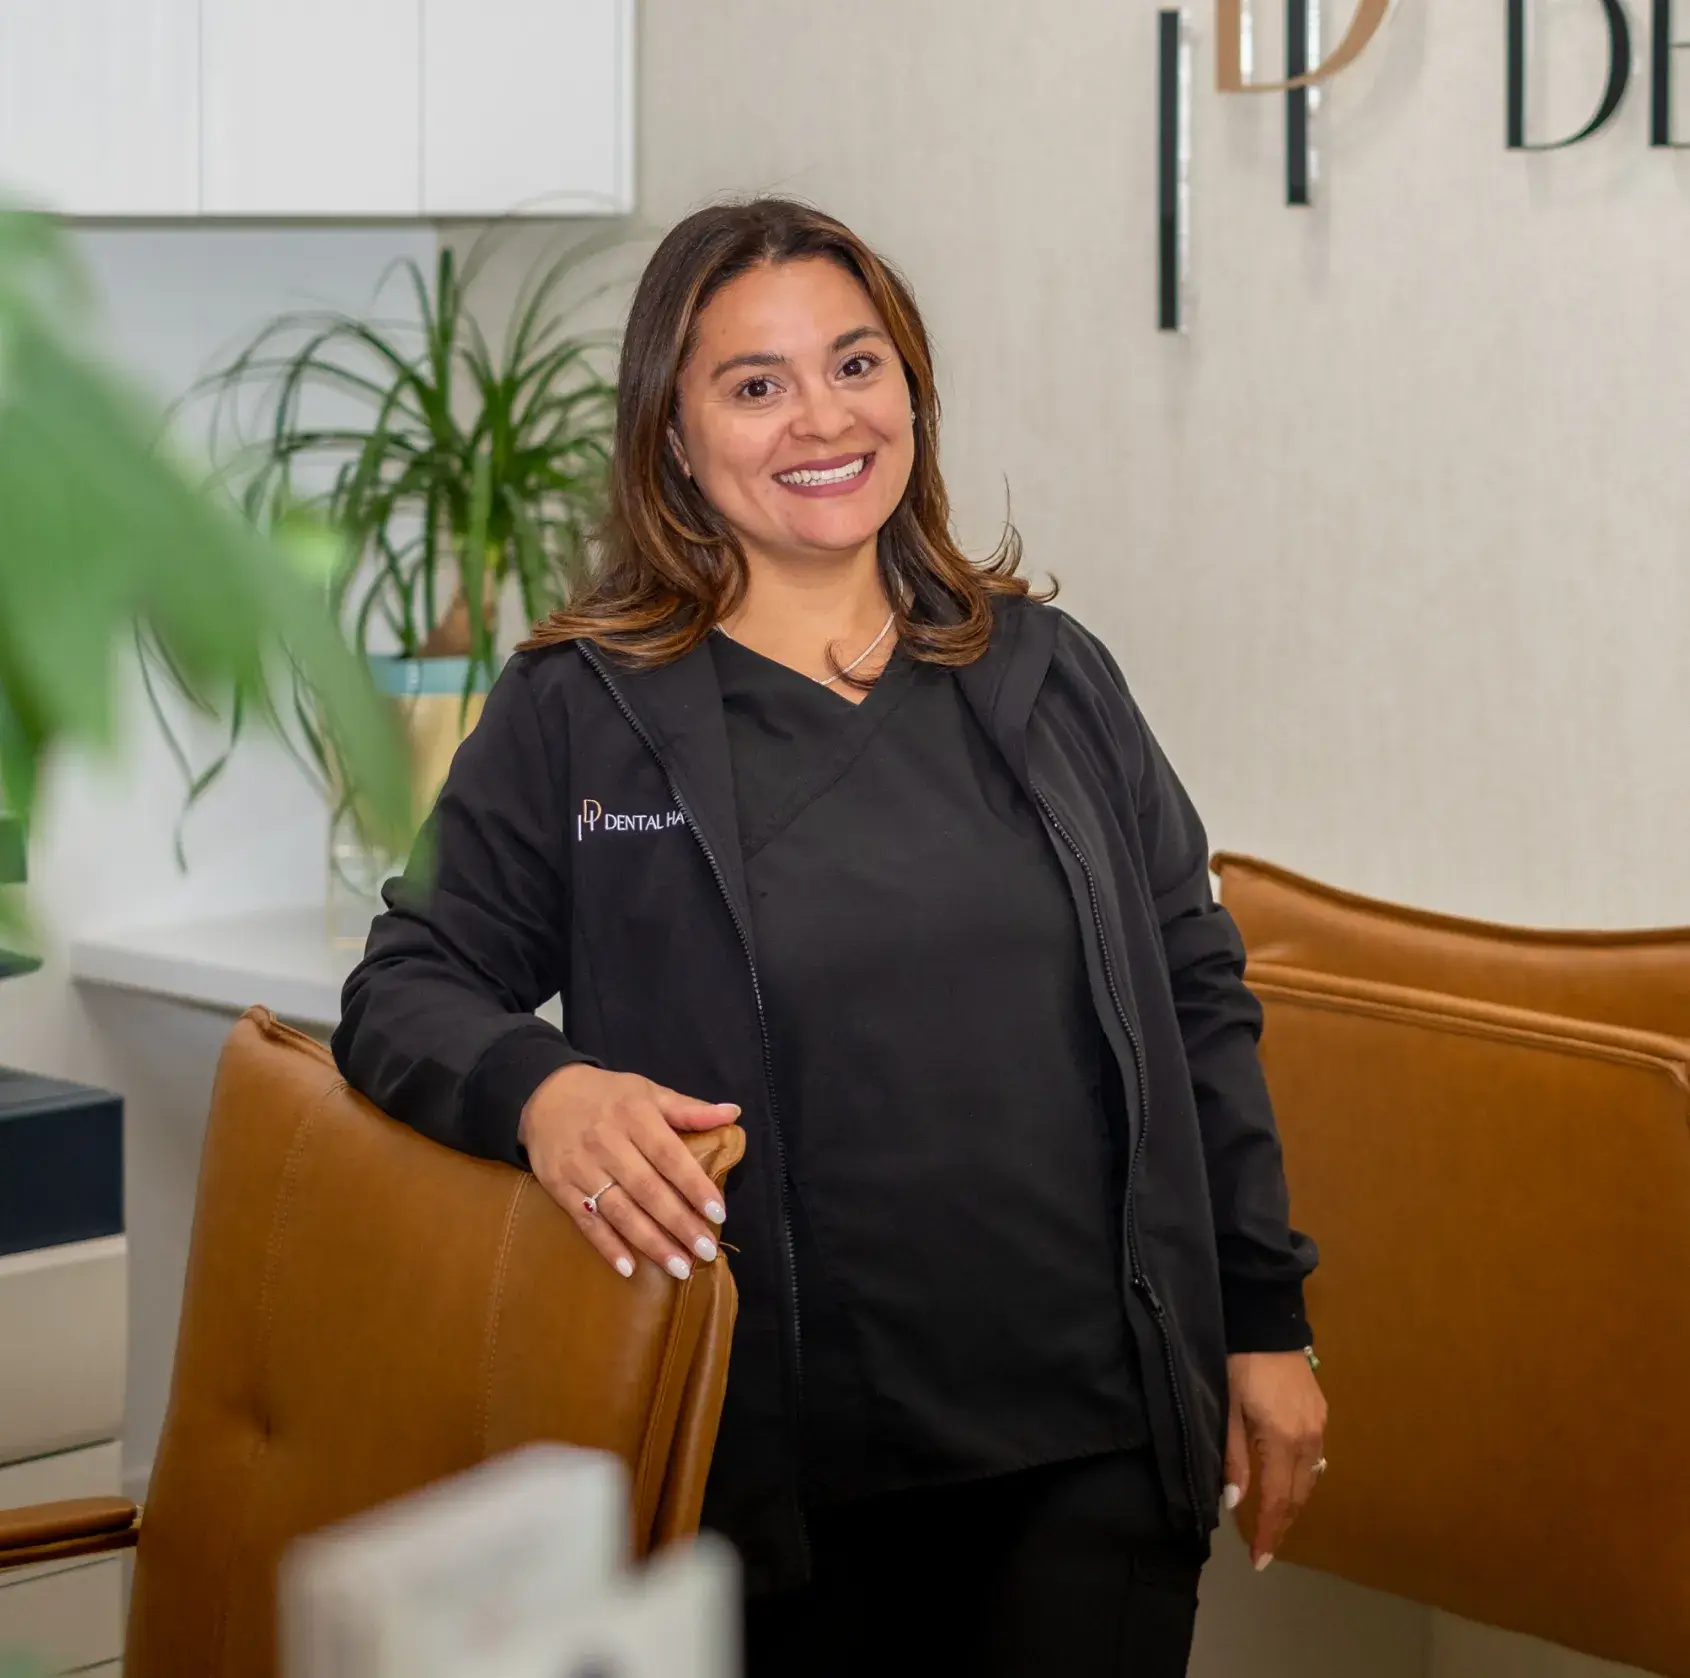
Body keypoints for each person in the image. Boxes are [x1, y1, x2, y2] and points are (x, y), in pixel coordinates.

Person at [332, 196, 1326, 1678]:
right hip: (775, 1473)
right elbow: (403, 987)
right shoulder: (581, 708)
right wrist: (545, 1089)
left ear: (909, 388)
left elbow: (1197, 996)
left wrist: (1264, 1318)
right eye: (755, 383)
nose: (822, 418)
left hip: (1093, 1435)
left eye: (856, 365)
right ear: (672, 434)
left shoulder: (1046, 675)